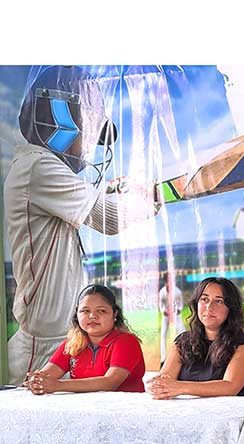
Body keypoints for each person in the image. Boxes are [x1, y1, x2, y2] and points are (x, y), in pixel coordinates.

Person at [4, 65, 160, 385]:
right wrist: (158, 196)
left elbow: (99, 206)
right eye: (87, 130)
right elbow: (110, 219)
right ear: (60, 119)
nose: (89, 146)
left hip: (64, 340)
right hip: (44, 346)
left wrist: (119, 191)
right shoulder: (38, 165)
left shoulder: (42, 168)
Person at [148, 277, 244, 398]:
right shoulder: (183, 342)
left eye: (219, 301)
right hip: (188, 413)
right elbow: (165, 379)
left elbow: (229, 387)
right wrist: (160, 385)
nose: (209, 307)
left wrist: (180, 387)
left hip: (233, 414)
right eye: (204, 299)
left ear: (231, 308)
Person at [22, 284, 145, 394]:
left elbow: (110, 383)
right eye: (85, 311)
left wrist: (57, 385)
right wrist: (38, 381)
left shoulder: (126, 341)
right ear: (77, 314)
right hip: (83, 411)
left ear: (114, 314)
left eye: (101, 311)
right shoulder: (73, 343)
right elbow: (47, 374)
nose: (92, 316)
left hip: (121, 412)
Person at [158, 277, 186, 365]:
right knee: (163, 335)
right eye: (167, 282)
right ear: (165, 283)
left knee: (182, 333)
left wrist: (179, 310)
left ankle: (184, 355)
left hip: (176, 314)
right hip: (166, 315)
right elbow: (160, 304)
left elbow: (181, 303)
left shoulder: (177, 292)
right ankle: (163, 358)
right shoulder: (162, 292)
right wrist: (163, 311)